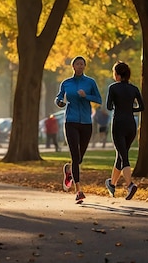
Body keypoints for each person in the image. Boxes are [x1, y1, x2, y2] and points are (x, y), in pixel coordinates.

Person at [55, 56, 102, 204]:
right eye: (77, 64)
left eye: (82, 64)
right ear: (73, 66)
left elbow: (99, 99)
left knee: (79, 157)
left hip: (87, 122)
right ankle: (78, 191)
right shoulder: (66, 83)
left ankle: (68, 170)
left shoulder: (90, 82)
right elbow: (58, 97)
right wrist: (60, 102)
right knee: (76, 156)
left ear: (85, 66)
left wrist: (86, 95)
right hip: (71, 121)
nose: (80, 66)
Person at [105, 61, 145, 200]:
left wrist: (119, 107)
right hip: (131, 124)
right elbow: (142, 107)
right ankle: (112, 184)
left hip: (118, 124)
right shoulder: (134, 89)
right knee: (121, 155)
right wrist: (130, 109)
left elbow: (109, 107)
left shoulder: (113, 88)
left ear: (117, 74)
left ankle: (130, 185)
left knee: (124, 156)